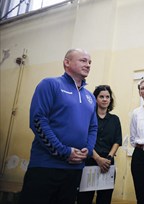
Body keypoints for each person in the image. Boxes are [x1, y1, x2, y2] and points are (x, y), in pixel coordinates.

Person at [19, 49, 98, 204]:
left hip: (75, 170)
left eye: (89, 62)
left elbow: (93, 127)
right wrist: (64, 151)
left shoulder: (90, 97)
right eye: (83, 60)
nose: (88, 65)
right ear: (66, 62)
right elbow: (38, 121)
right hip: (45, 167)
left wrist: (87, 151)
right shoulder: (50, 84)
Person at [77, 85, 122, 204]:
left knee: (105, 199)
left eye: (107, 97)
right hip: (89, 161)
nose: (105, 99)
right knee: (84, 199)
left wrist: (108, 159)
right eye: (101, 96)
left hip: (108, 164)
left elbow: (117, 141)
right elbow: (85, 139)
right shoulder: (88, 118)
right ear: (95, 99)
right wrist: (97, 158)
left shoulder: (115, 119)